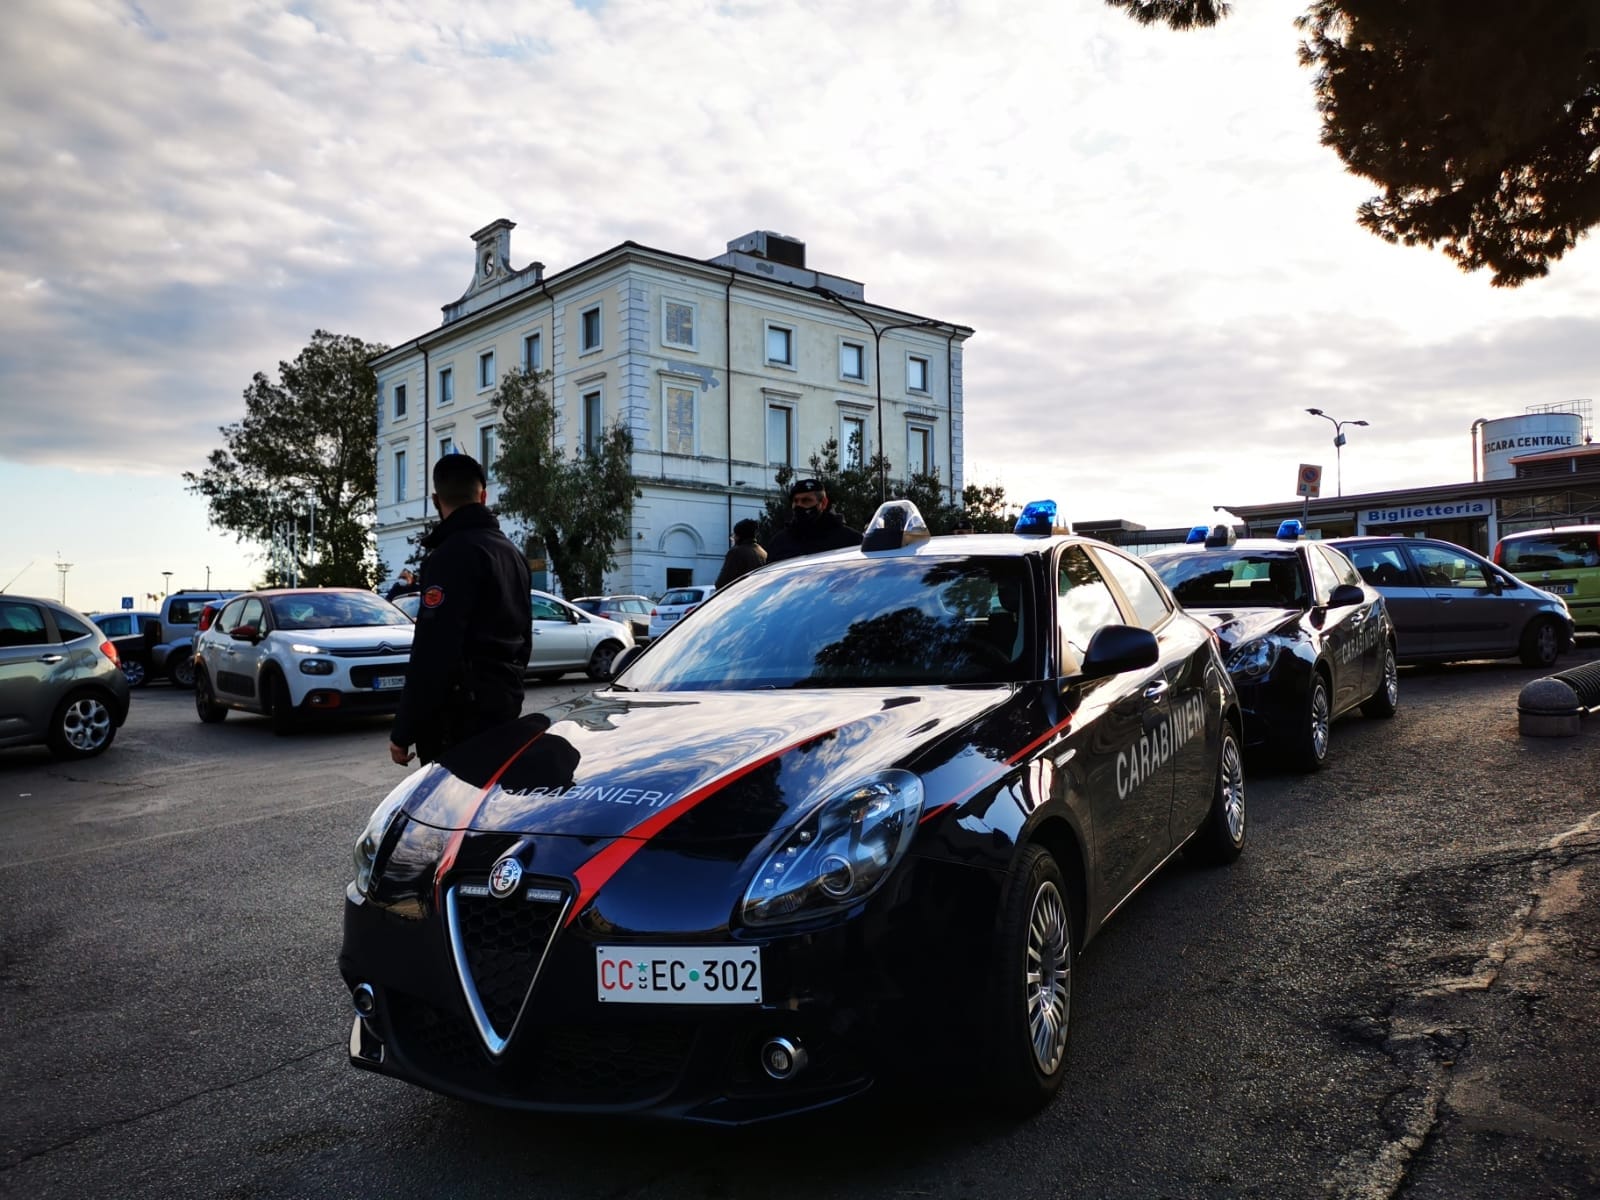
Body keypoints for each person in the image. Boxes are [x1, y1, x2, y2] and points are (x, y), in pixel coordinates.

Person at [389, 453, 532, 767]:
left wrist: (404, 730)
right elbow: (525, 637)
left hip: (457, 719)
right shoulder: (513, 554)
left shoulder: (448, 557)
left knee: (450, 811)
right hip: (504, 706)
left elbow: (434, 651)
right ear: (483, 496)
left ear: (435, 500)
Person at [765, 478, 863, 563]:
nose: (799, 506)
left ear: (823, 503)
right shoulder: (780, 543)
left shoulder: (849, 540)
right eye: (795, 501)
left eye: (806, 500)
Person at [715, 518, 768, 587]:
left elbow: (722, 582)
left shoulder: (736, 552)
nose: (733, 538)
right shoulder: (763, 552)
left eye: (734, 536)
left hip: (740, 593)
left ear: (738, 537)